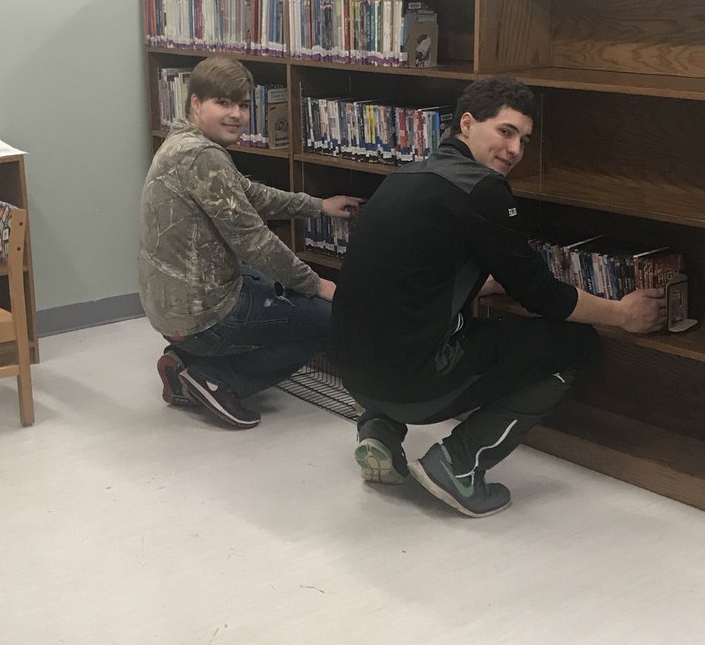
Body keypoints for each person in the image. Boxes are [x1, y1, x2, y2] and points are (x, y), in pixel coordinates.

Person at [329, 75, 666, 517]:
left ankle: (378, 429)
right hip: (409, 383)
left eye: (524, 140)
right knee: (576, 344)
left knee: (418, 327)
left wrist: (489, 281)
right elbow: (543, 296)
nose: (516, 151)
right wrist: (621, 314)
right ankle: (460, 464)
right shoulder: (482, 189)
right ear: (467, 124)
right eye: (505, 132)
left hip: (352, 376)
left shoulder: (407, 175)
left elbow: (412, 279)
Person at [139, 56, 360, 429]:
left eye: (243, 104)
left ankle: (186, 362)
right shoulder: (201, 156)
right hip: (201, 316)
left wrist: (317, 205)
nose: (237, 115)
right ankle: (220, 379)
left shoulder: (182, 142)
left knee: (265, 281)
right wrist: (318, 284)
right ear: (195, 103)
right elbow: (254, 239)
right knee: (329, 318)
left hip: (171, 305)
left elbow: (249, 193)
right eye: (223, 103)